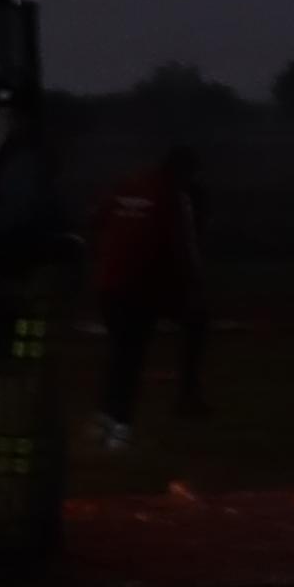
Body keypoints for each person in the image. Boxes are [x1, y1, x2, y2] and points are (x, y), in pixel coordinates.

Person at [87, 135, 206, 444]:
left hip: (109, 284)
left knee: (120, 352)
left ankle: (106, 417)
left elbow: (95, 220)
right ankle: (122, 425)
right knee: (133, 354)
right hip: (141, 287)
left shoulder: (128, 183)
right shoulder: (173, 196)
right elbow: (184, 247)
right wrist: (192, 284)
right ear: (185, 172)